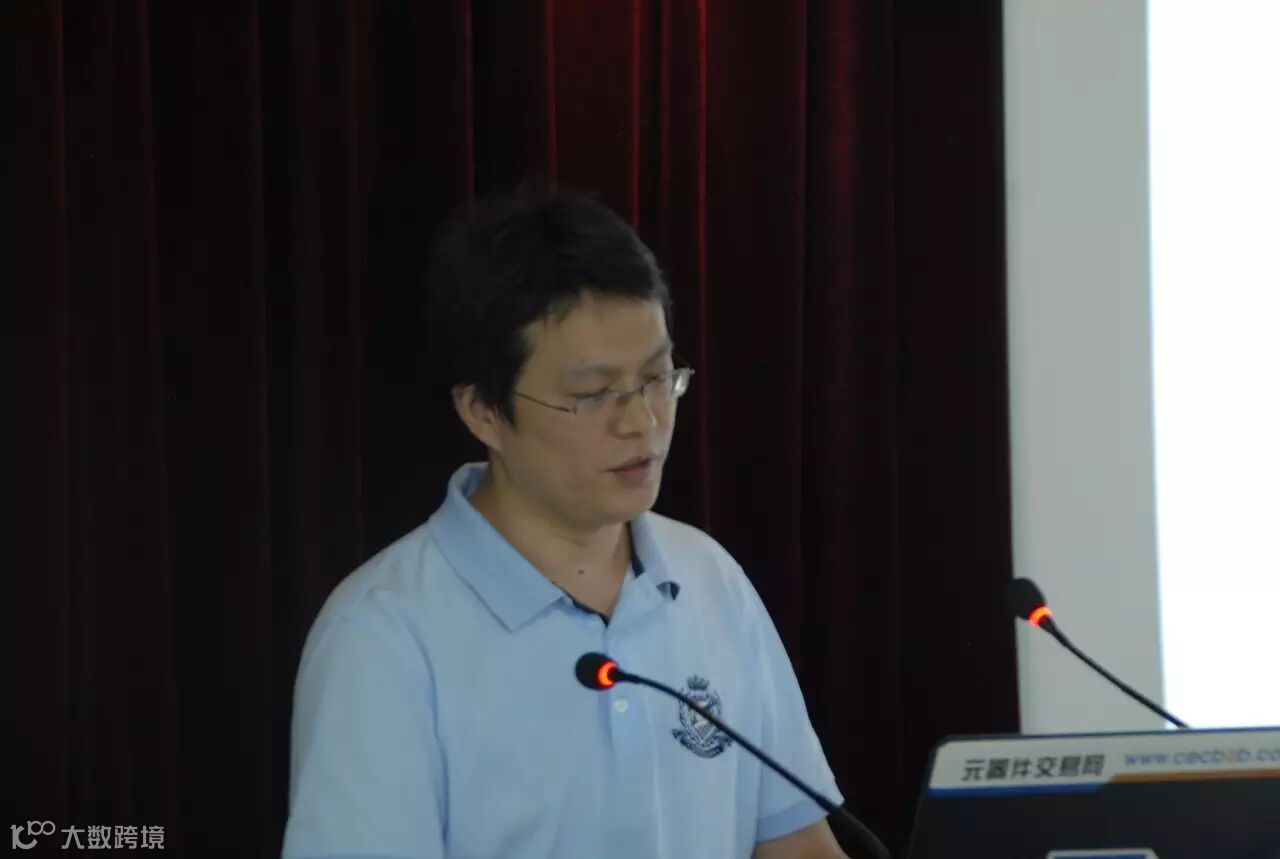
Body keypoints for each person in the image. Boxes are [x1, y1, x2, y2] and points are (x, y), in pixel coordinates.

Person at [282, 186, 851, 859]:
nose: (642, 422)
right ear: (483, 412)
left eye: (658, 378)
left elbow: (798, 845)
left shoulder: (710, 580)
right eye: (592, 395)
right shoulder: (384, 636)